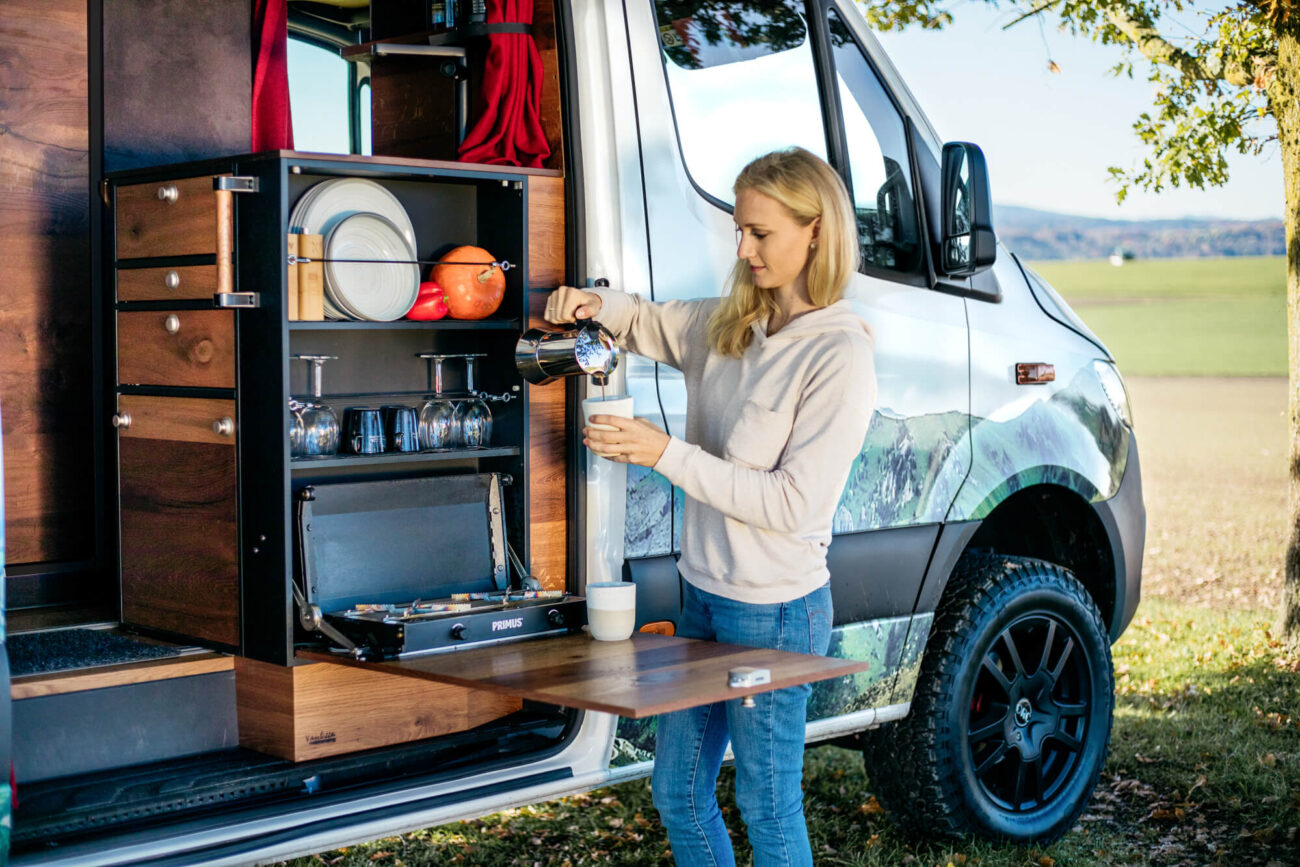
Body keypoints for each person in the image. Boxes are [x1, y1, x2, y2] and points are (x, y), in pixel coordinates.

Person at [542, 146, 877, 867]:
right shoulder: (735, 323)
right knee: (679, 792)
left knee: (766, 801)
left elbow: (792, 503)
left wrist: (663, 453)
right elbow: (652, 321)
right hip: (704, 602)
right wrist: (597, 305)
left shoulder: (838, 356)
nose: (745, 248)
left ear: (814, 231)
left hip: (777, 613)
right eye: (740, 231)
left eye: (762, 233)